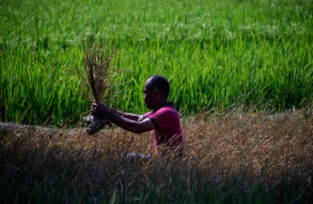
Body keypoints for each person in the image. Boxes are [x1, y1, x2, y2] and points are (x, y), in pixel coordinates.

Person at [90, 75, 183, 158]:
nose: (143, 97)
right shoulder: (160, 110)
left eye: (146, 93)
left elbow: (138, 127)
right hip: (162, 161)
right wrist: (109, 110)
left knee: (131, 158)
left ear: (156, 93)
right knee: (131, 157)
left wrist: (108, 114)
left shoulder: (167, 112)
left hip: (168, 164)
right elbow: (139, 118)